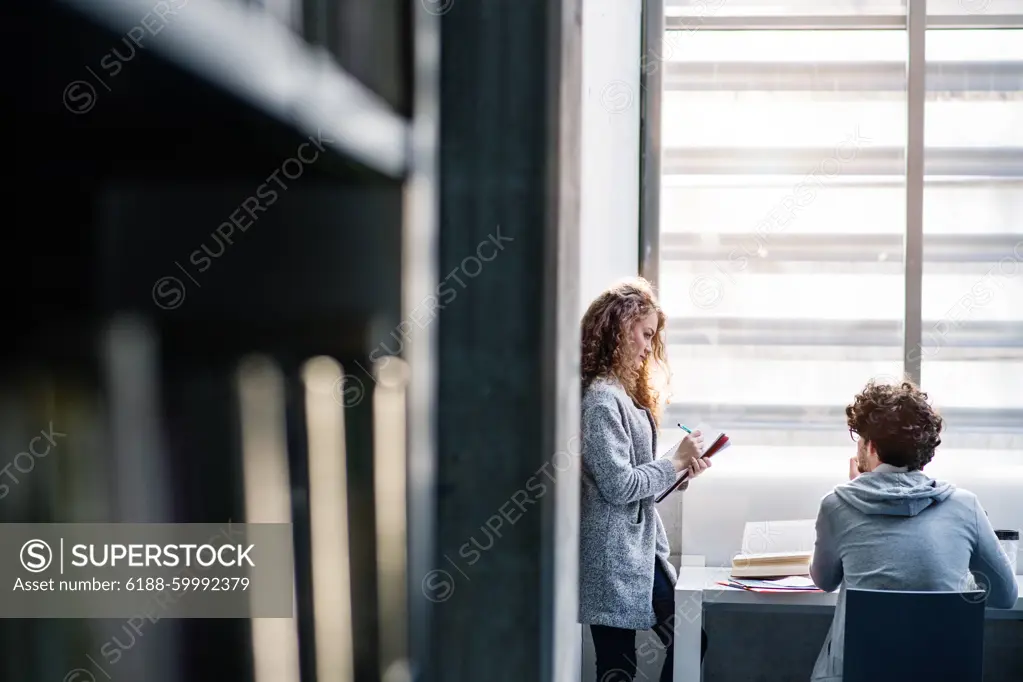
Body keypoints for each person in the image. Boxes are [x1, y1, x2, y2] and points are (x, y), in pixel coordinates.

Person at [809, 379, 1019, 682]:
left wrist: (857, 487)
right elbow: (1006, 595)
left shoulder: (837, 505)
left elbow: (825, 580)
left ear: (871, 446)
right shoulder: (966, 505)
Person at [579, 277, 712, 682]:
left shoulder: (621, 394)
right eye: (645, 334)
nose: (649, 347)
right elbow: (619, 486)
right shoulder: (601, 400)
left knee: (685, 640)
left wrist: (679, 473)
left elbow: (636, 485)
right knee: (618, 665)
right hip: (612, 555)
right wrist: (672, 462)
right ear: (620, 328)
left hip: (634, 552)